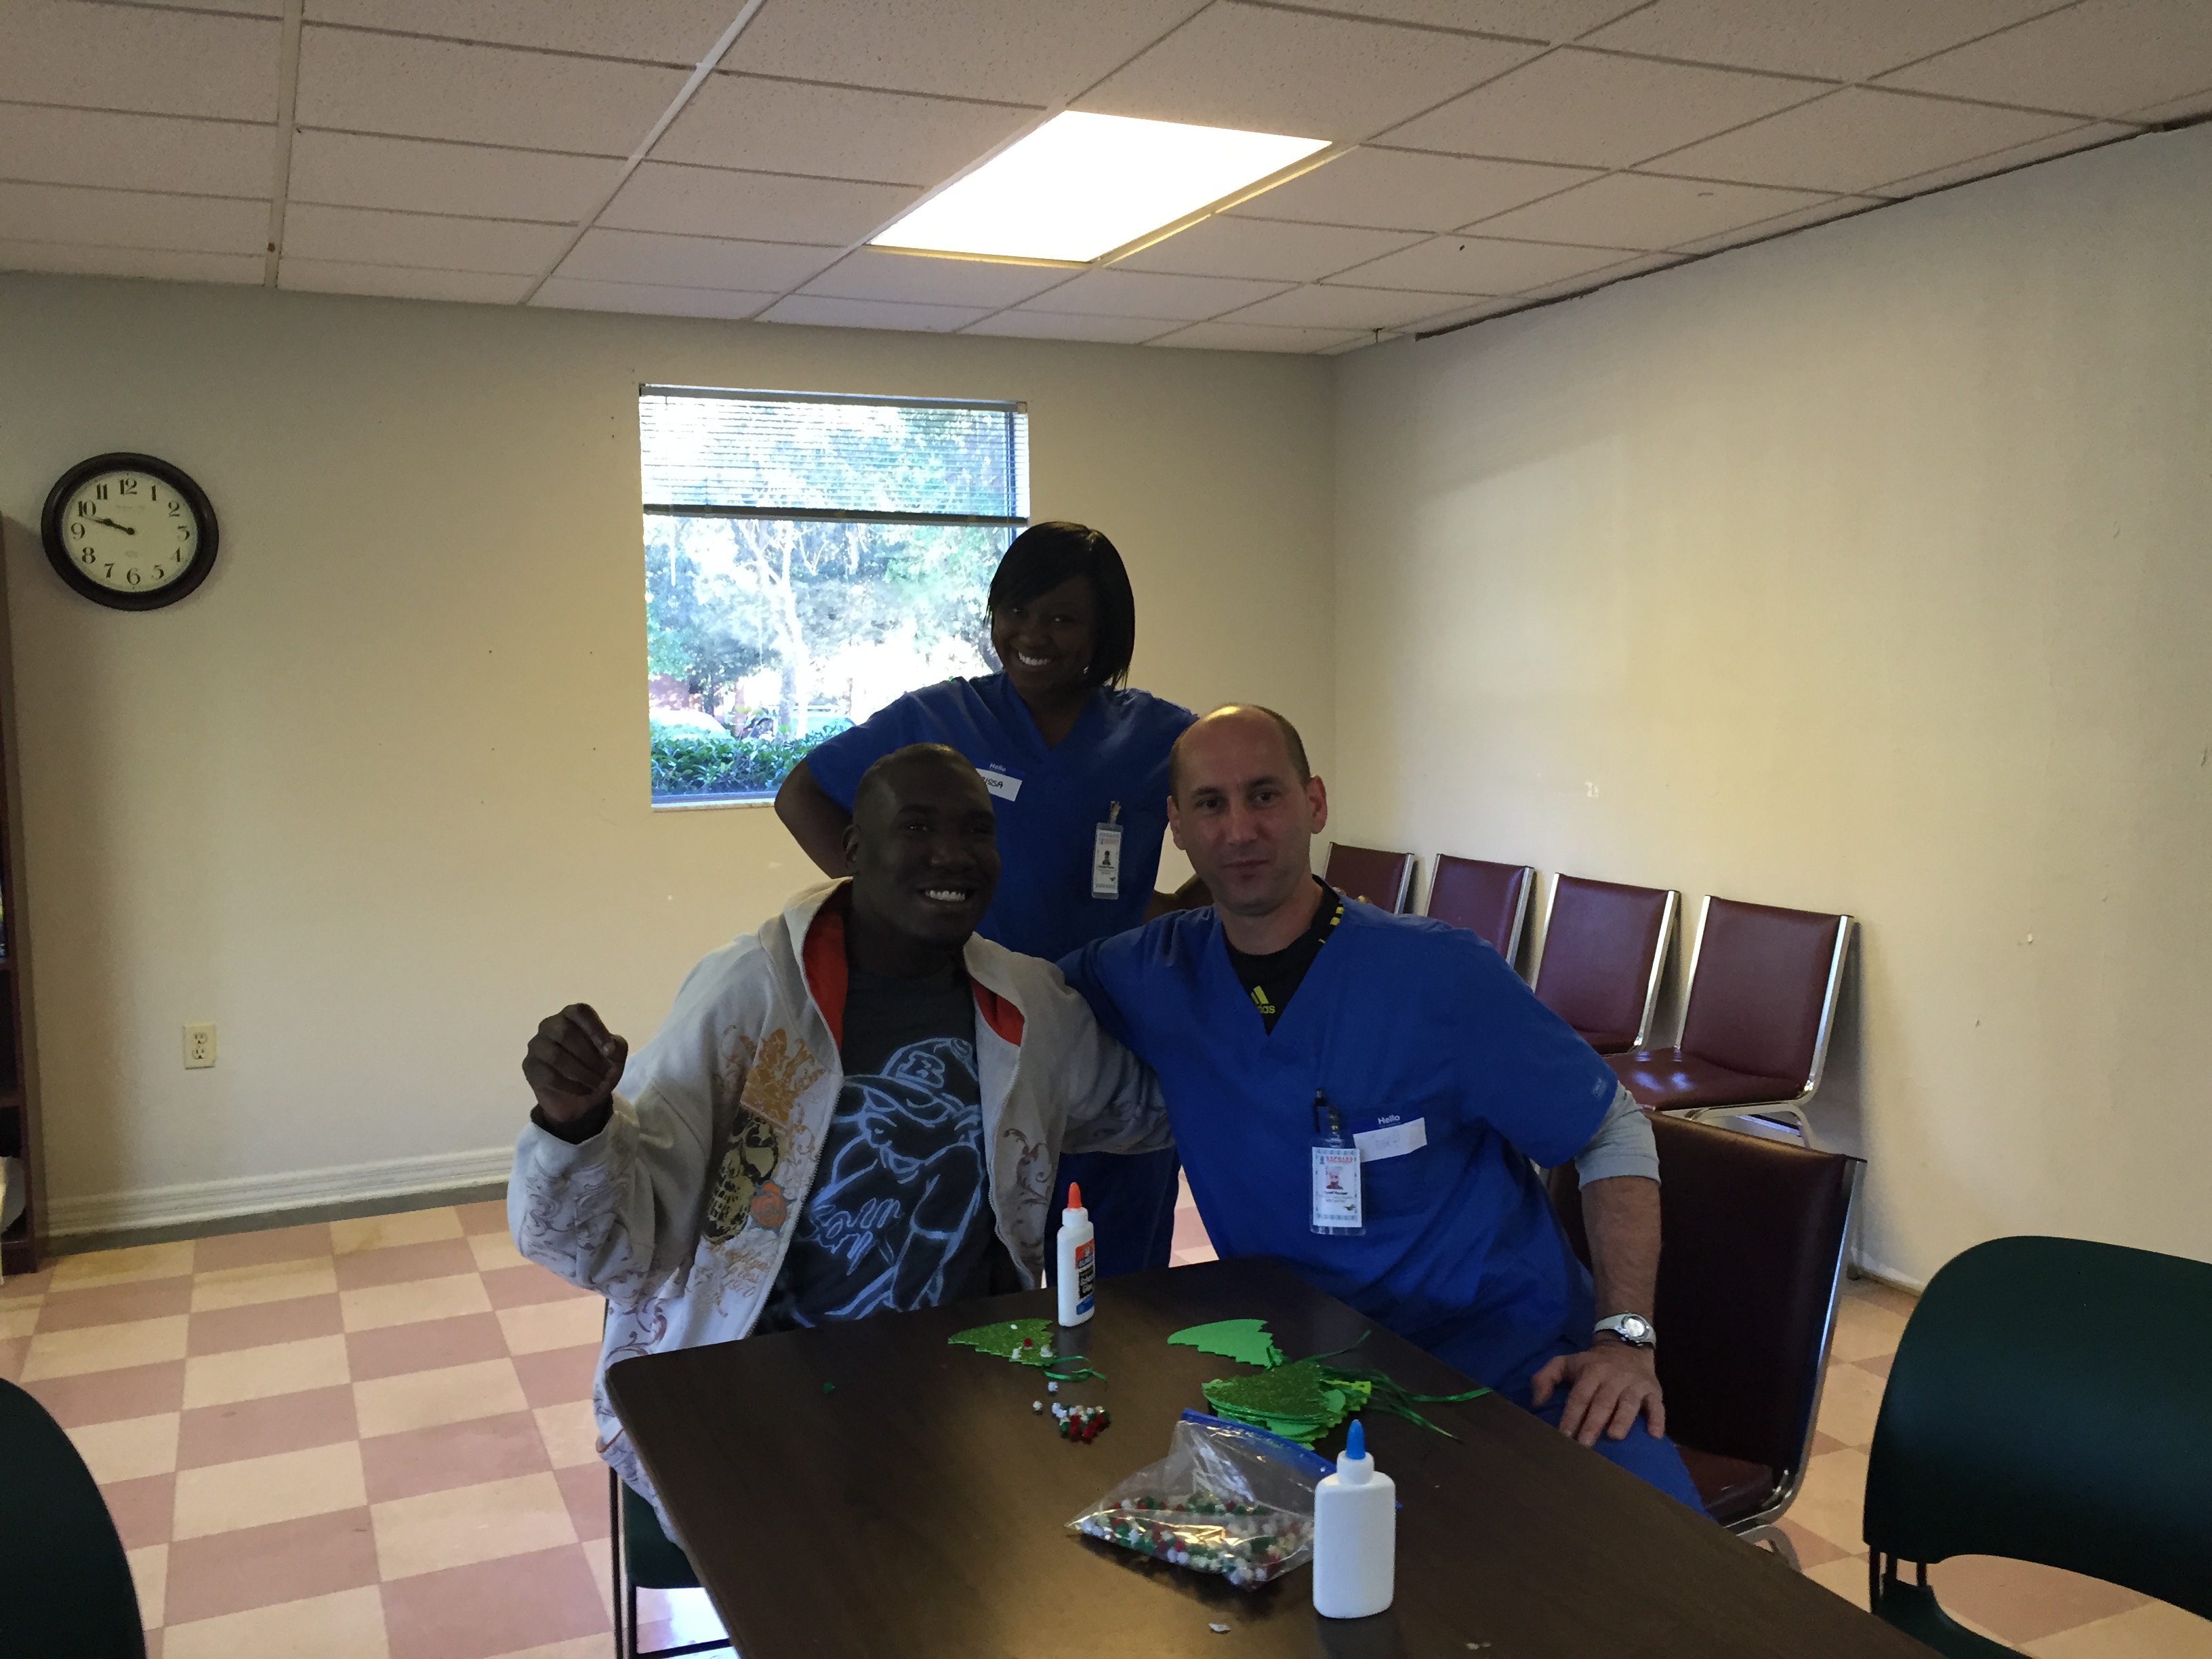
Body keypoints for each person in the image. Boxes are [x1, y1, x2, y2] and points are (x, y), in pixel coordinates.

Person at [511, 744, 1170, 1535]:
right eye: (917, 827)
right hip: (759, 1397)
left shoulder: (1026, 1002)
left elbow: (1146, 1107)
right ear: (854, 849)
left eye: (975, 830)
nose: (952, 854)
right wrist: (575, 1124)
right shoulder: (752, 996)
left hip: (971, 1395)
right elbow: (612, 1249)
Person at [1057, 706, 1704, 1507]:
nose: (1239, 829)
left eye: (1265, 796)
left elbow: (1612, 1129)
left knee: (1670, 1584)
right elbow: (1017, 1002)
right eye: (1211, 805)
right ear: (1177, 827)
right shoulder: (1149, 974)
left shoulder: (1439, 977)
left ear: (1316, 804)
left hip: (1515, 1366)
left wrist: (1626, 1338)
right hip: (1307, 1377)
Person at [775, 522, 1196, 1277]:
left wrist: (1184, 921)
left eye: (1063, 619)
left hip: (1112, 1026)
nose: (1032, 635)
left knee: (1121, 1264)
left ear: (1105, 633)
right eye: (1015, 611)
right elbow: (803, 794)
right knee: (975, 1256)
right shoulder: (940, 719)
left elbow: (1226, 829)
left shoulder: (1159, 737)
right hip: (969, 1028)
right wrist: (884, 904)